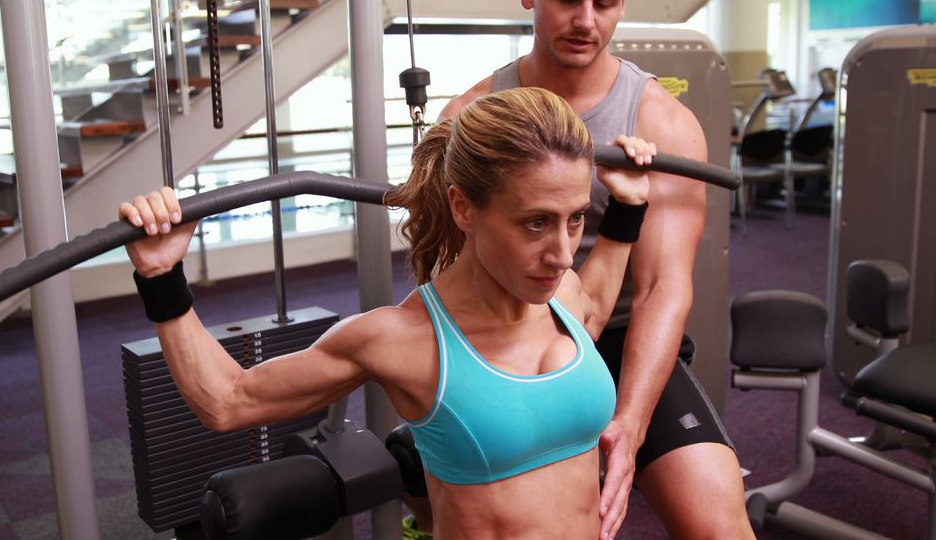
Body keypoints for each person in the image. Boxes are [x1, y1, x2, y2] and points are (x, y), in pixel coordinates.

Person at [120, 87, 655, 539]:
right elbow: (229, 401)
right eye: (535, 223)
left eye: (576, 219)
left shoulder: (563, 294)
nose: (562, 254)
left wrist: (627, 210)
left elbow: (594, 310)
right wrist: (162, 279)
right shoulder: (403, 340)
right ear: (463, 207)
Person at [436, 0, 755, 539]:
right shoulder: (471, 119)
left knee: (719, 528)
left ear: (624, 2)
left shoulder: (663, 123)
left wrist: (629, 424)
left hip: (621, 342)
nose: (587, 21)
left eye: (604, 3)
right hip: (510, 341)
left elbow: (663, 288)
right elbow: (448, 271)